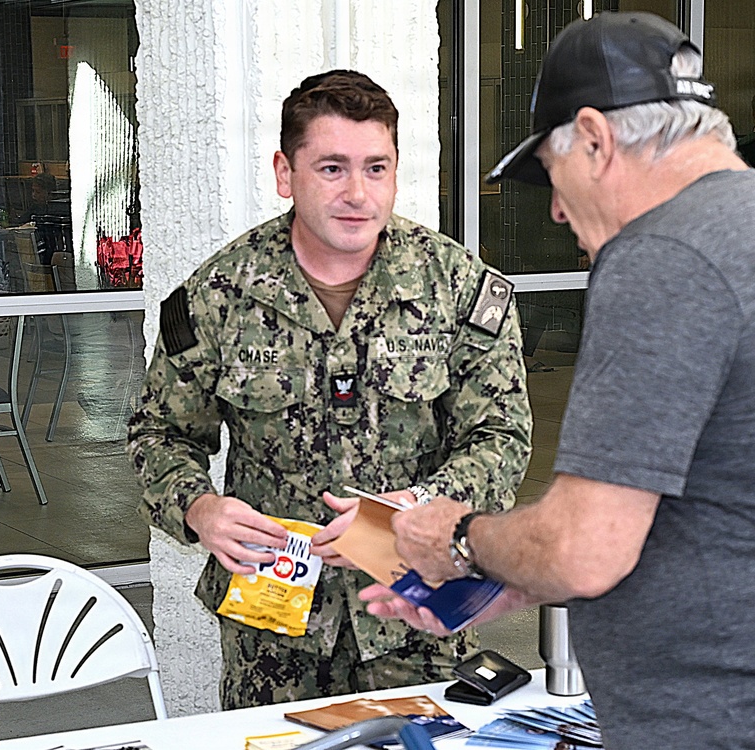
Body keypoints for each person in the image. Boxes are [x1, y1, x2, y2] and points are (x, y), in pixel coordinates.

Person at [356, 13, 755, 750]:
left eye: (551, 175)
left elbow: (586, 547)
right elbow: (732, 509)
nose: (554, 209)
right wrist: (518, 579)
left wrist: (457, 538)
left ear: (594, 137)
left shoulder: (665, 254)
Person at [127, 70, 533, 709]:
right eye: (332, 168)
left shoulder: (456, 289)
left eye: (376, 168)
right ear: (286, 174)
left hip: (415, 606)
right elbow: (160, 433)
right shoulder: (221, 296)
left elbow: (501, 437)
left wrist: (418, 507)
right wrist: (198, 508)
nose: (358, 194)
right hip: (276, 628)